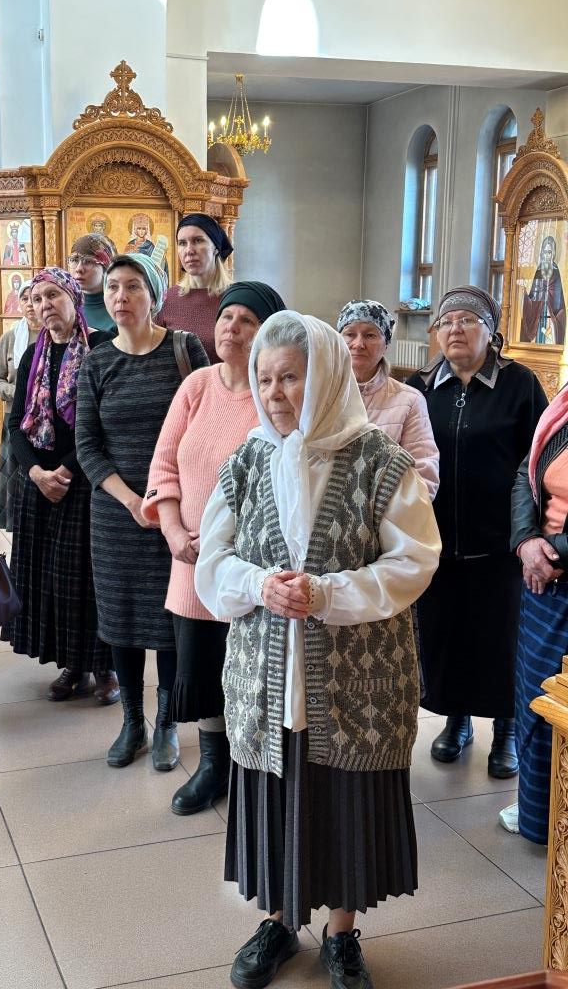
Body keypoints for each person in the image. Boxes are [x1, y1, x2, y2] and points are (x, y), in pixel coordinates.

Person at [195, 311, 440, 989]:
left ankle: (340, 933)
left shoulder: (380, 460)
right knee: (275, 799)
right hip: (267, 675)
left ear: (327, 375)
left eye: (290, 378)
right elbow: (212, 563)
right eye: (264, 379)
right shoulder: (248, 460)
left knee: (345, 805)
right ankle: (278, 923)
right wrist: (258, 585)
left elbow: (415, 558)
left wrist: (329, 594)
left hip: (356, 680)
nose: (274, 393)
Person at [142, 281, 286, 816]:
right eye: (227, 317)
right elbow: (164, 465)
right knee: (201, 664)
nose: (232, 327)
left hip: (250, 565)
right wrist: (174, 531)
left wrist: (235, 545)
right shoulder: (197, 385)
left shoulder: (275, 396)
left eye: (247, 320)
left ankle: (252, 765)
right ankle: (211, 764)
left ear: (268, 333)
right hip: (192, 559)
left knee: (248, 666)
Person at [407, 286, 548, 776]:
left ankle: (505, 730)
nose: (455, 330)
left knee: (500, 638)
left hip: (500, 542)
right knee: (447, 634)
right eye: (446, 322)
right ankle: (457, 720)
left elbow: (538, 463)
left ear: (491, 331)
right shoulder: (421, 386)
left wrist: (530, 532)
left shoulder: (519, 384)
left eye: (467, 320)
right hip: (437, 540)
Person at [76, 253, 209, 771]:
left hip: (176, 508)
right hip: (116, 513)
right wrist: (132, 500)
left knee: (170, 616)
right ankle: (132, 721)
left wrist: (163, 500)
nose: (121, 297)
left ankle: (167, 723)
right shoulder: (96, 361)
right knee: (122, 618)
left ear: (153, 295)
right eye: (112, 287)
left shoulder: (184, 349)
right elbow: (88, 445)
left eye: (133, 286)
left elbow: (205, 424)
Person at [4, 267, 119, 705]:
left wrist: (66, 471)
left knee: (90, 579)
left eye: (53, 295)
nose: (44, 305)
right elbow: (16, 425)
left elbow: (105, 424)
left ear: (74, 298)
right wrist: (36, 473)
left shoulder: (102, 347)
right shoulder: (31, 356)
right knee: (53, 579)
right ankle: (73, 664)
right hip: (40, 484)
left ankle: (105, 667)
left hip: (87, 480)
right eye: (36, 299)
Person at [507, 385, 568, 842]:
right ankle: (538, 816)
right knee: (535, 698)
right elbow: (524, 472)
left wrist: (554, 553)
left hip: (555, 566)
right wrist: (526, 541)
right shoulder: (563, 406)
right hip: (543, 576)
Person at [336, 298, 439, 498]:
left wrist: (381, 509)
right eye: (349, 334)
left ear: (386, 344)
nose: (358, 344)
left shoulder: (409, 401)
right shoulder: (321, 394)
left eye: (370, 335)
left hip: (385, 513)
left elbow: (424, 476)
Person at [0, 279, 41, 530]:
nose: (30, 304)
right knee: (16, 473)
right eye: (25, 299)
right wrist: (19, 393)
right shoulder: (10, 338)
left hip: (48, 419)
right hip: (16, 417)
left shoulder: (54, 335)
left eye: (35, 298)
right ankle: (14, 524)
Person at [157, 212, 233, 363]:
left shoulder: (236, 297)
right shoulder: (165, 299)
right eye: (182, 243)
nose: (189, 250)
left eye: (198, 240)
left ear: (215, 247)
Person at [520, 235, 566, 345]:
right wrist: (525, 295)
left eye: (549, 252)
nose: (547, 255)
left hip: (551, 318)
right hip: (538, 316)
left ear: (553, 253)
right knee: (537, 342)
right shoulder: (538, 272)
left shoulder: (556, 273)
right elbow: (533, 297)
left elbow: (558, 301)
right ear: (541, 253)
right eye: (545, 252)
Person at [67, 233, 116, 332]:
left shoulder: (120, 306)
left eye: (89, 261)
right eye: (74, 260)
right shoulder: (66, 306)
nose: (79, 269)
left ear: (106, 267)